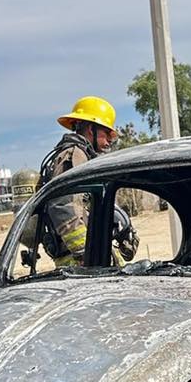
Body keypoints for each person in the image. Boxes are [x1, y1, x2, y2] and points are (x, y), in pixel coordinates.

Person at [36, 97, 118, 267]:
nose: (110, 139)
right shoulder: (75, 154)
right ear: (91, 129)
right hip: (78, 259)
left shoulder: (82, 155)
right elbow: (62, 206)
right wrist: (83, 253)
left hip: (86, 252)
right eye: (107, 133)